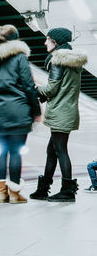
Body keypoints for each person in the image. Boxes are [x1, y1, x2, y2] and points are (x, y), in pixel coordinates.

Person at [0, 25, 41, 204]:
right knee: (15, 152)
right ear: (15, 40)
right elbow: (28, 86)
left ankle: (1, 194)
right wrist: (36, 111)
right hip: (18, 111)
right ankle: (15, 194)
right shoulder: (19, 57)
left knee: (3, 151)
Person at [29, 27, 87, 202]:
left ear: (56, 41)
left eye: (47, 39)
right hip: (67, 110)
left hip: (61, 111)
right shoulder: (72, 62)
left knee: (60, 150)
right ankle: (43, 189)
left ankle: (67, 191)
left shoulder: (58, 61)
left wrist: (35, 89)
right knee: (52, 150)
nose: (44, 42)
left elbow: (52, 88)